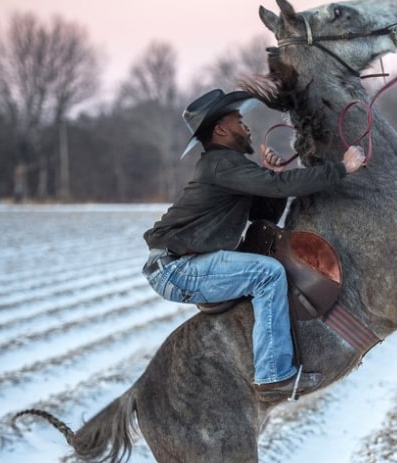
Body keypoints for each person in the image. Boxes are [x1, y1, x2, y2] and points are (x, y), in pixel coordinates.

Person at [143, 88, 365, 399]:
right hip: (177, 269)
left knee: (265, 271)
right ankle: (273, 376)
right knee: (268, 273)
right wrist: (342, 169)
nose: (246, 126)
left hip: (181, 265)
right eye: (238, 121)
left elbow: (263, 212)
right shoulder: (220, 164)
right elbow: (278, 187)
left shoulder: (228, 165)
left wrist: (274, 177)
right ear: (221, 130)